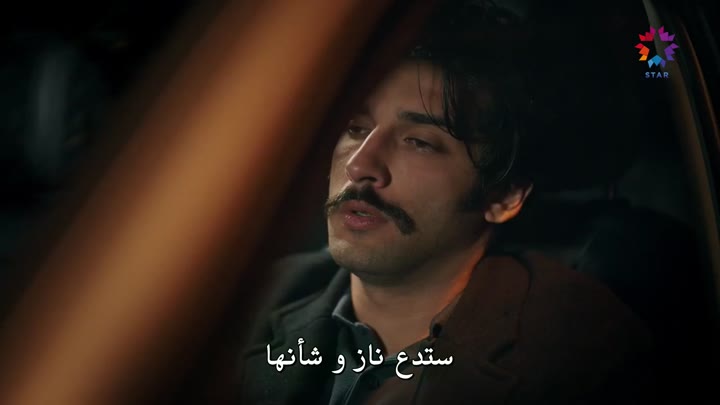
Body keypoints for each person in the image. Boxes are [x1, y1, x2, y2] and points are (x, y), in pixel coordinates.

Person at [237, 2, 655, 404]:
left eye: (418, 142)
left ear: (504, 197)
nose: (360, 165)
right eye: (355, 127)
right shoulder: (254, 299)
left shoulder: (576, 347)